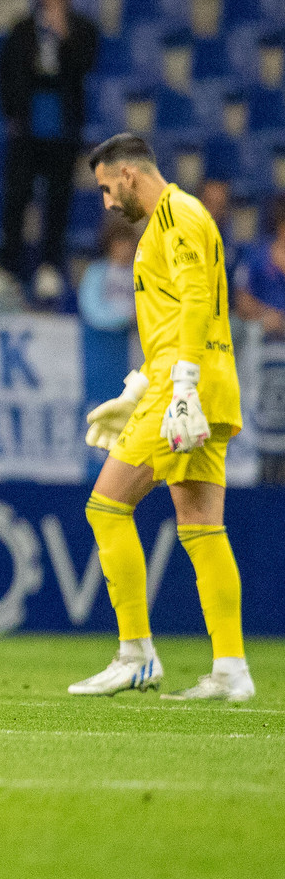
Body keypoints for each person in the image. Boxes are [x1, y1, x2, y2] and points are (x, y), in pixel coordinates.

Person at [73, 133, 253, 702]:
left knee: (106, 507)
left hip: (188, 389)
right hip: (206, 388)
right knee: (202, 528)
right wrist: (137, 390)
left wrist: (181, 388)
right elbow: (173, 321)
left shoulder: (177, 216)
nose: (107, 202)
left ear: (128, 174)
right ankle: (231, 668)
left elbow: (197, 301)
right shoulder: (173, 221)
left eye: (107, 188)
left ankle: (136, 655)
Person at [0, 0, 99, 304]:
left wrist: (64, 34)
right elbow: (5, 73)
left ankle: (50, 268)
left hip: (62, 131)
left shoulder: (81, 29)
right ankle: (8, 270)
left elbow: (86, 65)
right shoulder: (22, 30)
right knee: (17, 199)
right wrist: (12, 113)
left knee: (57, 201)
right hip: (27, 130)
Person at [232, 197, 285, 484]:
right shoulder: (258, 256)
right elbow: (241, 301)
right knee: (264, 424)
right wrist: (268, 315)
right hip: (262, 357)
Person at [82, 213, 140, 406]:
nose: (125, 248)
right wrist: (125, 318)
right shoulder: (96, 272)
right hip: (102, 349)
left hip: (133, 348)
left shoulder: (141, 272)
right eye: (120, 242)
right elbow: (92, 310)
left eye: (128, 242)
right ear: (110, 244)